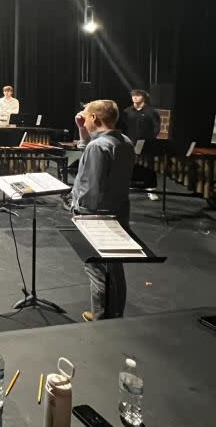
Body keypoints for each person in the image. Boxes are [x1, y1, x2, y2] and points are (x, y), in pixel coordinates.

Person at [70, 100, 136, 322]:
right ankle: (113, 314)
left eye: (86, 117)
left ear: (95, 119)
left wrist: (77, 209)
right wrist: (82, 130)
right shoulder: (125, 141)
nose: (84, 120)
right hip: (119, 212)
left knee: (97, 272)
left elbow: (91, 186)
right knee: (114, 269)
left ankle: (101, 320)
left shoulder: (97, 147)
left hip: (96, 216)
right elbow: (91, 155)